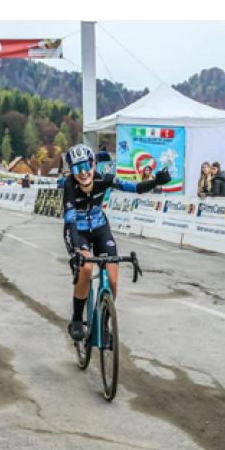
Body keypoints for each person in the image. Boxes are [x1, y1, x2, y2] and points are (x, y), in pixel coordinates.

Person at [63, 143, 170, 340]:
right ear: (71, 171)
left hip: (100, 229)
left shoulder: (104, 179)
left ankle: (103, 324)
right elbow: (70, 220)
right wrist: (76, 250)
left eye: (86, 166)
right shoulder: (69, 186)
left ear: (93, 164)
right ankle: (77, 319)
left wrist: (155, 182)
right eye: (77, 169)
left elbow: (134, 187)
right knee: (86, 268)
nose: (83, 173)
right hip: (78, 232)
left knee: (112, 280)